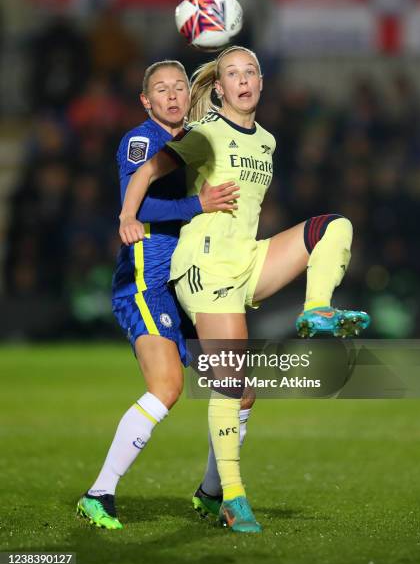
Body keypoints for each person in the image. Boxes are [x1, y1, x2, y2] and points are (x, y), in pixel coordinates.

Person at [119, 46, 370, 533]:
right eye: (232, 73)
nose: (243, 79)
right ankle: (232, 497)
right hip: (206, 268)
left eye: (250, 71)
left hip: (247, 259)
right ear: (220, 87)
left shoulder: (268, 141)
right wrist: (129, 215)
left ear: (261, 82)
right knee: (231, 383)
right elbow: (147, 172)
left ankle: (316, 309)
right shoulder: (206, 132)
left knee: (332, 227)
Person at [76, 60, 239, 530]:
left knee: (239, 391)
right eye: (161, 90)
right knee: (167, 387)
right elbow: (139, 202)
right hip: (147, 282)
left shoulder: (195, 139)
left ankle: (211, 494)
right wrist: (198, 203)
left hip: (191, 282)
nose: (172, 95)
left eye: (179, 87)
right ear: (146, 102)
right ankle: (99, 493)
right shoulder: (142, 141)